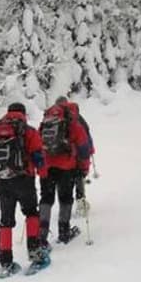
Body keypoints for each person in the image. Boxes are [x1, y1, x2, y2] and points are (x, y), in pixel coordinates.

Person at [0, 102, 49, 277]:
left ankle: (5, 262)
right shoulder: (28, 131)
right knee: (31, 214)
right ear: (23, 114)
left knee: (5, 220)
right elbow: (38, 156)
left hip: (2, 180)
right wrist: (43, 175)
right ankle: (36, 255)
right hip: (23, 179)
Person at [38, 97, 91, 247]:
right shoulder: (72, 122)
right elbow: (83, 147)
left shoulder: (47, 120)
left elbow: (38, 141)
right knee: (65, 198)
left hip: (47, 166)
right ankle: (64, 232)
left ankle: (41, 235)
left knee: (46, 199)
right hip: (67, 167)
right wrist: (84, 168)